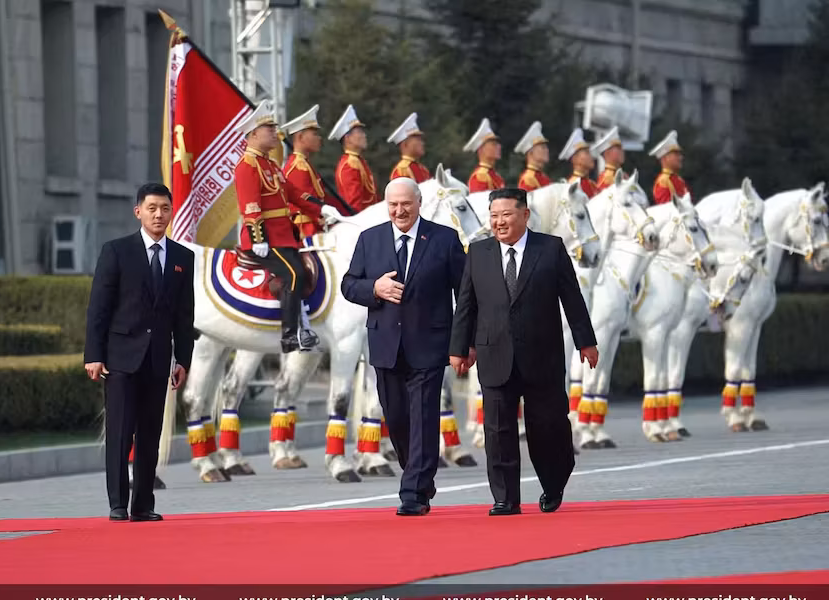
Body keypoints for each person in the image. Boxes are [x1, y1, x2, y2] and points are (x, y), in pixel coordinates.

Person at [448, 187, 599, 516]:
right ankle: (505, 498)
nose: (499, 222)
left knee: (548, 426)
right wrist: (460, 347)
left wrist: (586, 341)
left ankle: (554, 482)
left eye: (506, 215)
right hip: (494, 354)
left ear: (525, 215)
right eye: (494, 216)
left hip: (542, 356)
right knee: (497, 430)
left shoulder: (550, 249)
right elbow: (466, 305)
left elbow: (572, 298)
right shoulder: (478, 252)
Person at [341, 177, 466, 516]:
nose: (399, 210)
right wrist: (374, 288)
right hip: (385, 345)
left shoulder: (444, 239)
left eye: (406, 204)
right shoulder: (370, 239)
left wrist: (464, 342)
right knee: (396, 418)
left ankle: (413, 493)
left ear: (419, 203)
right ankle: (419, 474)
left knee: (424, 417)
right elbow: (349, 285)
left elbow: (464, 294)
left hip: (430, 344)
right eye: (393, 205)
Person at [84, 182, 195, 522]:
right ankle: (118, 504)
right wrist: (94, 354)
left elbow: (184, 315)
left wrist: (183, 360)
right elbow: (99, 308)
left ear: (171, 212)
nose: (159, 214)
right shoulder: (116, 251)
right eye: (152, 208)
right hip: (120, 359)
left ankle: (143, 505)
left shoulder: (182, 257)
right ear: (138, 212)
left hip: (159, 360)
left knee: (149, 435)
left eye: (165, 208)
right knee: (120, 433)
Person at [237, 100, 341, 353]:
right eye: (269, 129)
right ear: (253, 134)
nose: (276, 132)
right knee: (294, 274)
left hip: (283, 236)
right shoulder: (247, 165)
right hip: (265, 239)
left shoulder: (271, 165)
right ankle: (290, 335)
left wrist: (321, 208)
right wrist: (258, 238)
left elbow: (295, 194)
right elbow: (250, 206)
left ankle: (307, 325)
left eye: (274, 128)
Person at [282, 104, 339, 238]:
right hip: (306, 229)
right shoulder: (298, 167)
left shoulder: (305, 164)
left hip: (315, 225)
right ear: (300, 137)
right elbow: (306, 201)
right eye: (314, 134)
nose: (319, 138)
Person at [330, 104, 379, 214]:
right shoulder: (349, 165)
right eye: (360, 132)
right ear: (348, 139)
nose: (364, 135)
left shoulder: (358, 161)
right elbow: (354, 204)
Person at [464, 118, 504, 193]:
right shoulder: (479, 177)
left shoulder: (496, 176)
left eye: (497, 144)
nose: (499, 147)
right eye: (493, 144)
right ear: (481, 150)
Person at [388, 113, 431, 183]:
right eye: (418, 140)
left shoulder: (423, 169)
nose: (422, 143)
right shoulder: (402, 171)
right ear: (405, 144)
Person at [650, 130, 689, 205]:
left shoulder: (679, 180)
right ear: (664, 158)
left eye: (679, 154)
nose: (681, 158)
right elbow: (666, 209)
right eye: (676, 154)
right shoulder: (663, 181)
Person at [560, 128, 599, 198]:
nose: (591, 156)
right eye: (587, 153)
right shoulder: (572, 186)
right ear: (575, 159)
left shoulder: (592, 185)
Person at [515, 121, 551, 191]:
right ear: (530, 152)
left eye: (546, 147)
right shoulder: (528, 179)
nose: (547, 150)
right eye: (543, 147)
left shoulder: (544, 177)